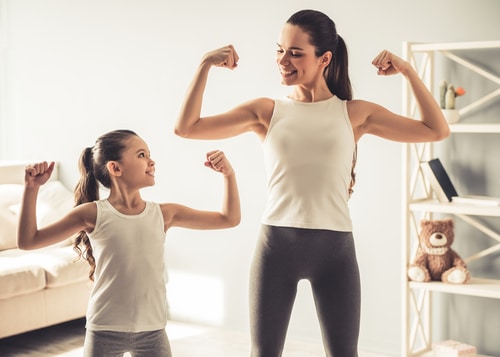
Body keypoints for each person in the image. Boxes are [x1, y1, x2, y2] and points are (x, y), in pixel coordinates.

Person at [174, 8, 449, 357]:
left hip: (335, 253)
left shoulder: (355, 113)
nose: (282, 60)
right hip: (276, 247)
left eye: (295, 52)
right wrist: (204, 64)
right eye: (279, 49)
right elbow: (187, 127)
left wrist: (408, 71)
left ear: (325, 58)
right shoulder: (266, 111)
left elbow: (436, 130)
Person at [17, 129, 241, 357]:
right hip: (104, 329)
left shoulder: (164, 214)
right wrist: (32, 188)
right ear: (115, 168)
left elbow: (229, 218)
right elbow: (29, 241)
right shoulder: (92, 213)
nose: (152, 161)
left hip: (152, 331)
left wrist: (228, 175)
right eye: (142, 155)